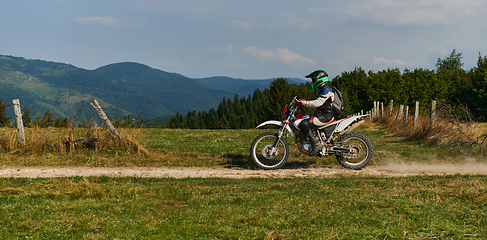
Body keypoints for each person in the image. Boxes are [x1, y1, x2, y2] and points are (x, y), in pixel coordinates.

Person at [296, 70, 335, 156]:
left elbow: (317, 103)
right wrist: (302, 105)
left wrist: (304, 102)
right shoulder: (323, 90)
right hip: (322, 115)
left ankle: (316, 143)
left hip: (325, 116)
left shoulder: (326, 90)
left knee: (304, 124)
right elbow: (316, 102)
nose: (313, 82)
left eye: (314, 80)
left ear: (320, 80)